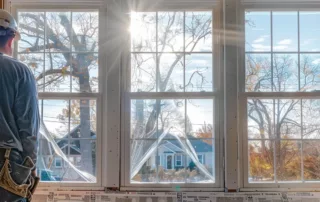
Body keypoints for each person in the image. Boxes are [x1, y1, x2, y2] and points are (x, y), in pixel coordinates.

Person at [0, 9, 40, 202]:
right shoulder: (20, 72)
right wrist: (31, 166)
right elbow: (28, 128)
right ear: (12, 38)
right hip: (7, 164)